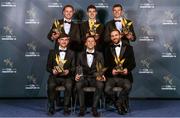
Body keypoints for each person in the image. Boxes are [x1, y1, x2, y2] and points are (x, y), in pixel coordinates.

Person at [104, 29, 136, 115]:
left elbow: (133, 63)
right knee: (106, 89)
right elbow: (105, 64)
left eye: (116, 35)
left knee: (128, 86)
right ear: (111, 38)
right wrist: (111, 71)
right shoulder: (107, 49)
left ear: (120, 36)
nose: (114, 37)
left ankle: (118, 103)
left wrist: (127, 70)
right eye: (112, 36)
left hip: (124, 77)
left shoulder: (129, 48)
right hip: (112, 76)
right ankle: (119, 104)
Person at [75, 35, 105, 117]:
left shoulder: (100, 54)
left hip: (95, 78)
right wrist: (77, 75)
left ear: (95, 43)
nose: (90, 43)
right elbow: (78, 66)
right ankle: (82, 108)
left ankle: (94, 108)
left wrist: (102, 75)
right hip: (83, 77)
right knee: (78, 84)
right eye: (89, 41)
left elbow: (101, 68)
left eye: (92, 41)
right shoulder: (80, 55)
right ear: (85, 43)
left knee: (100, 84)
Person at [46, 33, 75, 116]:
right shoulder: (52, 52)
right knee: (50, 85)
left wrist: (68, 71)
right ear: (58, 41)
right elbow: (47, 67)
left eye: (66, 40)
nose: (64, 41)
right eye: (62, 39)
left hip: (67, 77)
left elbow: (73, 67)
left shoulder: (72, 53)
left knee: (69, 86)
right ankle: (51, 106)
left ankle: (66, 107)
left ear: (68, 41)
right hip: (54, 77)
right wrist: (52, 71)